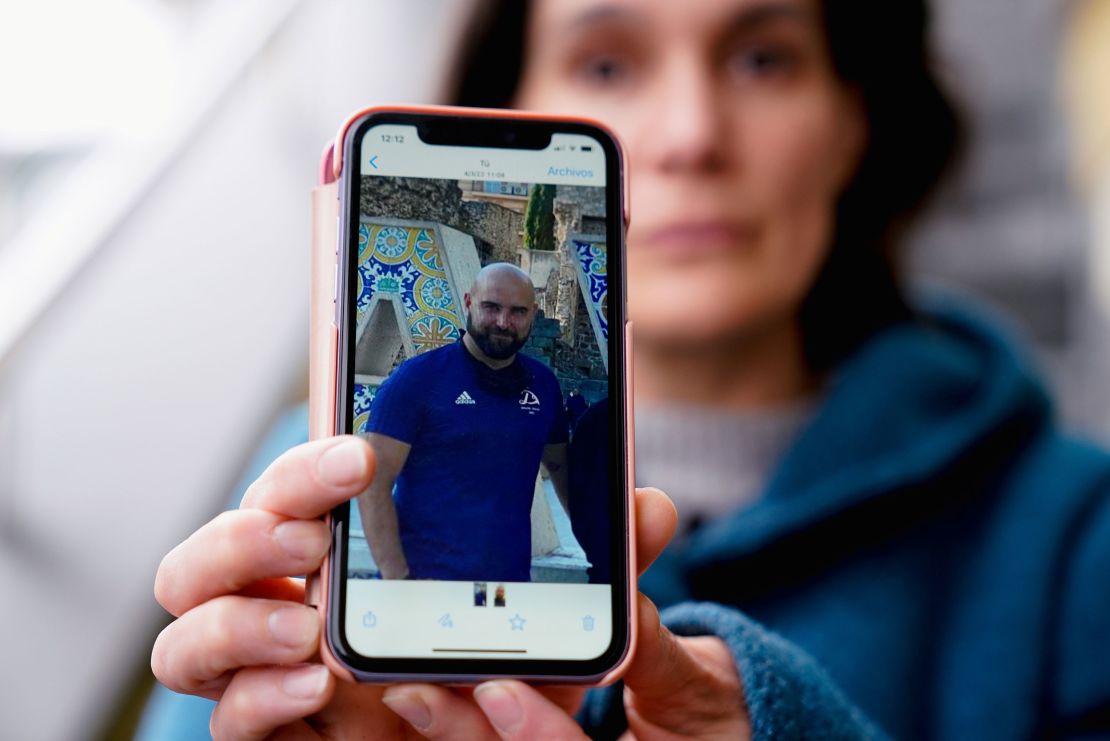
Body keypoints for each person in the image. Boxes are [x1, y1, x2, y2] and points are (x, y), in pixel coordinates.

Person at [151, 0, 1110, 738]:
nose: (692, 133)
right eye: (607, 61)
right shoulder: (298, 517)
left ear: (854, 119)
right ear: (507, 110)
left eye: (762, 57)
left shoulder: (1074, 533)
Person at [358, 262, 569, 582]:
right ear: (469, 303)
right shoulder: (417, 380)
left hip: (503, 592)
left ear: (533, 314)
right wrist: (395, 578)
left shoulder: (543, 385)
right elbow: (374, 482)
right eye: (491, 307)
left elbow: (564, 471)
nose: (503, 322)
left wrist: (605, 548)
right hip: (423, 586)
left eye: (517, 312)